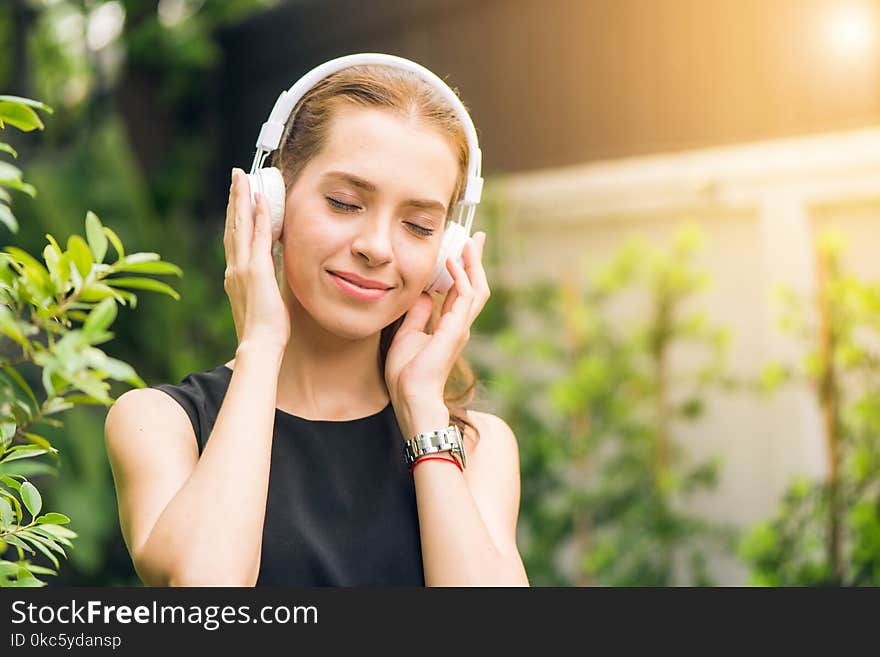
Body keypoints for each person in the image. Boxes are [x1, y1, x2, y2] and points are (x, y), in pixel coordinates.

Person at [104, 57, 530, 587]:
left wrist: (423, 412)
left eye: (419, 226)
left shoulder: (477, 446)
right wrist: (261, 346)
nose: (376, 247)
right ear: (272, 203)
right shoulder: (161, 423)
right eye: (344, 203)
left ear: (447, 252)